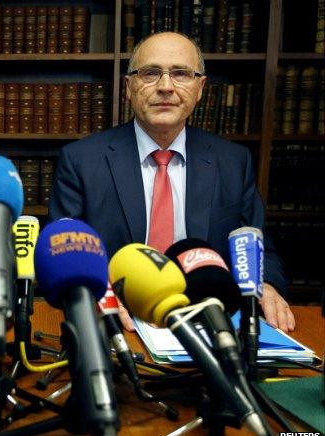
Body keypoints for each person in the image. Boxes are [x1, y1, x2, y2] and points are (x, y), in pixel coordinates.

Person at [49, 32, 295, 332]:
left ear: (200, 88)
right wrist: (95, 295)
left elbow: (257, 244)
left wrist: (266, 285)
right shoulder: (80, 160)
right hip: (121, 322)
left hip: (209, 319)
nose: (166, 87)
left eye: (181, 74)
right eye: (151, 73)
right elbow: (64, 250)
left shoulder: (233, 161)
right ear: (129, 87)